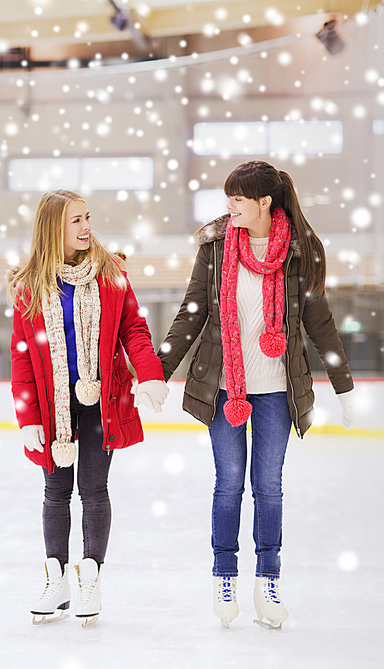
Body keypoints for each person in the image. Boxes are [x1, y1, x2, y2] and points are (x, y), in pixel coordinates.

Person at [158, 160, 354, 630]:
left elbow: (318, 322)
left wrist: (343, 386)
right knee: (229, 483)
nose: (230, 207)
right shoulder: (216, 248)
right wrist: (156, 374)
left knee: (268, 487)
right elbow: (192, 313)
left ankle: (268, 580)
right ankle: (224, 573)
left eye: (239, 199)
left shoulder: (299, 251)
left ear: (265, 202)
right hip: (226, 388)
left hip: (276, 392)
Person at [8, 189, 168, 626]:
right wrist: (26, 419)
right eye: (75, 221)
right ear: (53, 228)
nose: (86, 227)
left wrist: (149, 371)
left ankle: (90, 575)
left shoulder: (110, 273)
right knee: (55, 492)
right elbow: (22, 355)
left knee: (94, 490)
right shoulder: (30, 286)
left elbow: (134, 328)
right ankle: (55, 577)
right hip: (51, 405)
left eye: (87, 218)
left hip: (103, 399)